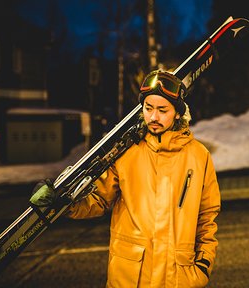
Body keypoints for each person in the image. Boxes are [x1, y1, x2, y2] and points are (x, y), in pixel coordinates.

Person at [30, 70, 221, 287]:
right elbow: (99, 200)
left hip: (178, 278)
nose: (154, 117)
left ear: (178, 113)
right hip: (129, 277)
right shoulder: (127, 152)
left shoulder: (198, 155)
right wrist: (63, 203)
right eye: (148, 109)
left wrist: (204, 263)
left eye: (162, 110)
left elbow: (207, 216)